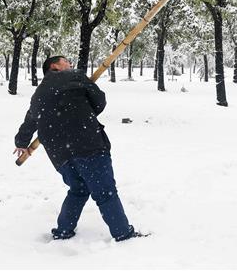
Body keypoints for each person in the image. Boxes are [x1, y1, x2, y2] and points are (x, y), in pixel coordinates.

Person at [14, 55, 144, 241]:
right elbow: (99, 101)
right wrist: (81, 109)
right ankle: (123, 233)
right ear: (54, 66)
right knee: (105, 191)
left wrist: (21, 142)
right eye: (66, 61)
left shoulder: (38, 94)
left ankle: (63, 230)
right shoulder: (75, 76)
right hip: (87, 144)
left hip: (59, 153)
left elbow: (30, 120)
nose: (70, 64)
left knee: (78, 188)